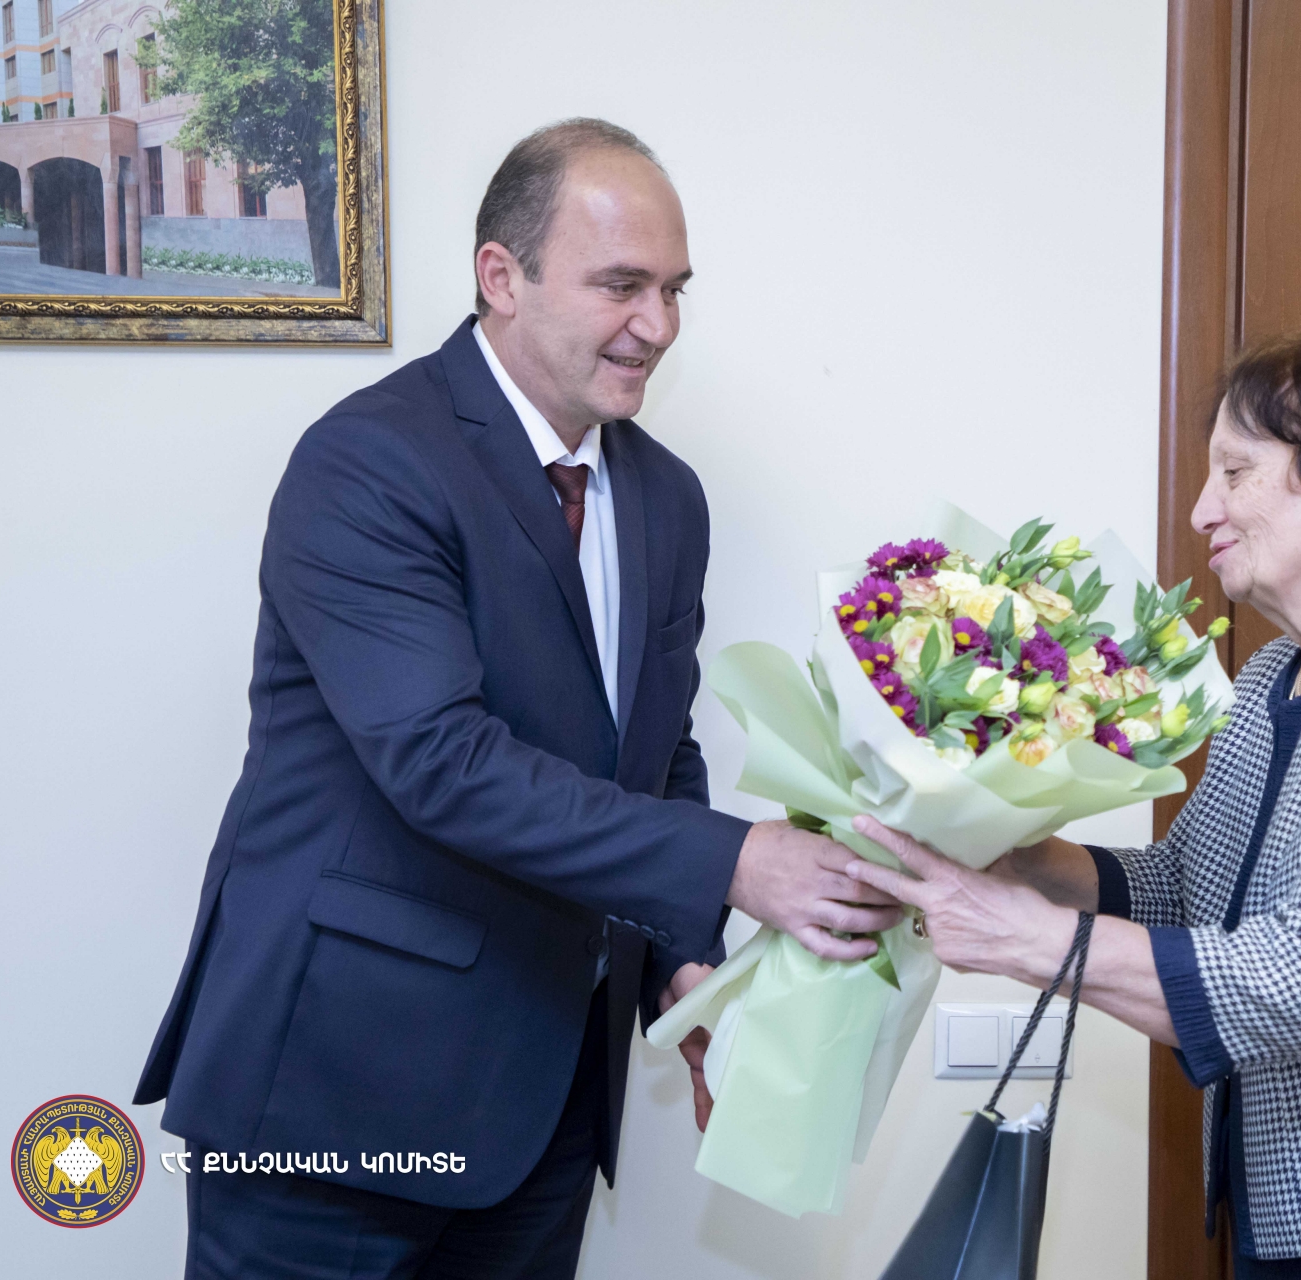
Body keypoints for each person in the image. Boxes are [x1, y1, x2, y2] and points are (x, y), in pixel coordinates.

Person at [133, 118, 901, 1279]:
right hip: (334, 1092)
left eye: (675, 290)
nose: (658, 324)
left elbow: (653, 756)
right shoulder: (368, 461)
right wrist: (738, 861)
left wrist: (690, 974)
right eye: (622, 285)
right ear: (502, 275)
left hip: (542, 1111)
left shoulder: (668, 498)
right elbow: (440, 760)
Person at [847, 324, 1301, 1277]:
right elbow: (1192, 889)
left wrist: (1023, 938)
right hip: (1294, 1213)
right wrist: (1016, 862)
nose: (1203, 510)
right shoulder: (1278, 671)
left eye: (1235, 472)